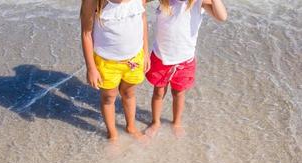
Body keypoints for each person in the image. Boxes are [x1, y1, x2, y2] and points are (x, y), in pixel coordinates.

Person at [145, 0, 227, 137]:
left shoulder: (198, 3)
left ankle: (176, 122)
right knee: (158, 92)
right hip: (161, 57)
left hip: (184, 60)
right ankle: (156, 122)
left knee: (178, 93)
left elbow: (222, 17)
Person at [80, 0, 150, 143]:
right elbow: (86, 34)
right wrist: (91, 68)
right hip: (106, 62)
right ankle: (112, 134)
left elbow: (142, 19)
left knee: (129, 93)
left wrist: (146, 52)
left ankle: (131, 127)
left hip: (134, 60)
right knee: (108, 98)